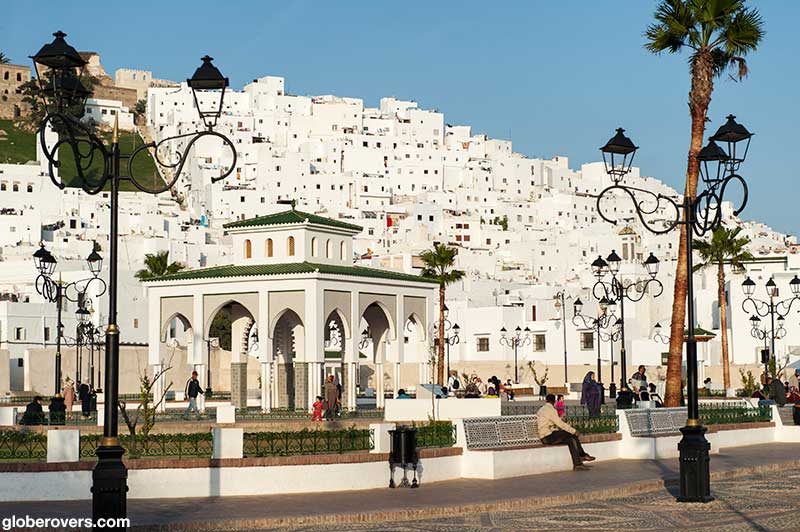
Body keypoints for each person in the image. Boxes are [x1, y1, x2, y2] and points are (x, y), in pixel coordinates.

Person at [538, 394, 595, 471]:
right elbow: (560, 424)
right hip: (548, 437)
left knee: (571, 440)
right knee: (572, 434)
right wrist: (574, 431)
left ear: (546, 400)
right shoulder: (551, 410)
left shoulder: (542, 409)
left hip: (545, 436)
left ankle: (577, 464)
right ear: (554, 401)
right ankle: (582, 455)